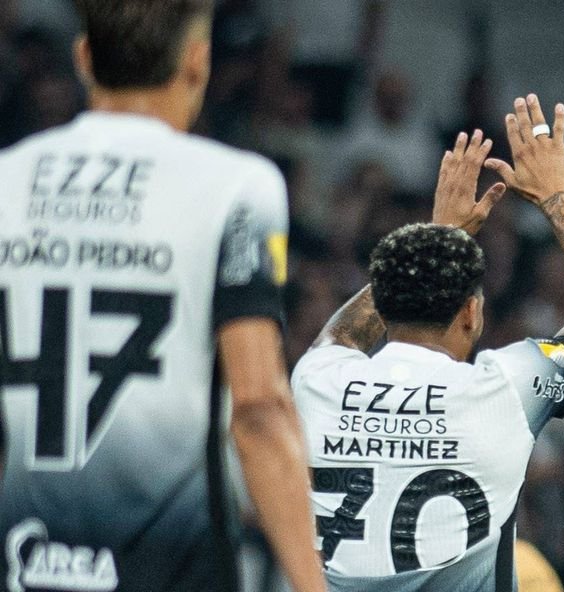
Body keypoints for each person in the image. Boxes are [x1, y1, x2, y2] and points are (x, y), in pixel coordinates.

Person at [0, 1, 325, 592]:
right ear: (197, 61)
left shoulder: (8, 180)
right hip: (174, 568)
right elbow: (257, 409)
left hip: (25, 558)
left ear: (83, 58)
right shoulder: (238, 188)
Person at [291, 94, 564, 591]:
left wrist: (438, 236)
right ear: (472, 313)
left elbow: (342, 333)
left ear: (383, 307)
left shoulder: (318, 381)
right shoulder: (505, 387)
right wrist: (557, 200)